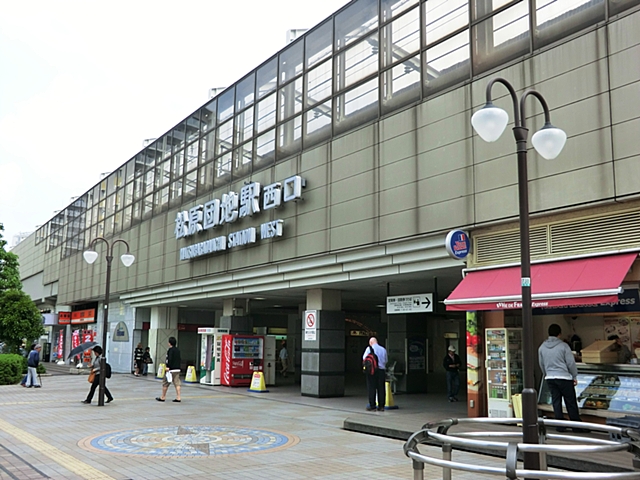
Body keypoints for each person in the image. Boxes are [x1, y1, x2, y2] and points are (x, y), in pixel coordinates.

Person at [538, 324, 588, 433]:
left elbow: (541, 364)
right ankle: (576, 426)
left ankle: (559, 425)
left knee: (556, 401)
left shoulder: (542, 347)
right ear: (559, 334)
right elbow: (570, 363)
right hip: (564, 377)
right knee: (570, 402)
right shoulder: (564, 346)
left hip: (550, 378)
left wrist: (546, 374)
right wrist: (574, 375)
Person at [362, 337, 387, 412]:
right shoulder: (383, 349)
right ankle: (381, 406)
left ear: (370, 343)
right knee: (381, 388)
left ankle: (372, 406)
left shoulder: (369, 349)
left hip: (372, 371)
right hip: (381, 371)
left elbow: (364, 359)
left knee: (371, 388)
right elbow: (386, 360)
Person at [156, 337, 181, 403]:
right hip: (177, 369)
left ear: (169, 343)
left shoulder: (170, 350)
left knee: (165, 383)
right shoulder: (178, 350)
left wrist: (168, 366)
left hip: (171, 369)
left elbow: (169, 359)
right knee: (177, 383)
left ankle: (163, 397)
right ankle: (178, 397)